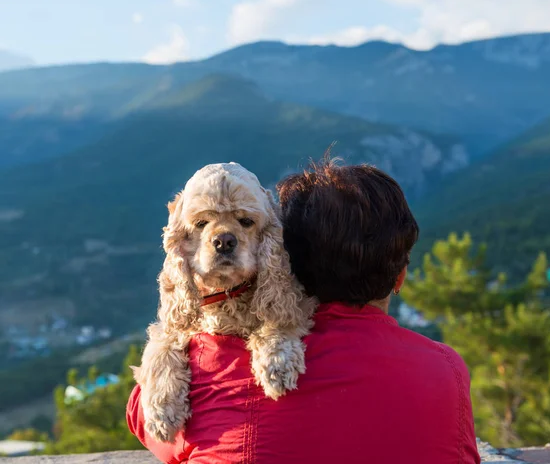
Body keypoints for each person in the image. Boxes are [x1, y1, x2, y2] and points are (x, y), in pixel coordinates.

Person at [127, 160, 481, 464]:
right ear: (400, 276)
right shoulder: (447, 371)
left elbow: (143, 418)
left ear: (288, 260)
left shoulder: (210, 370)